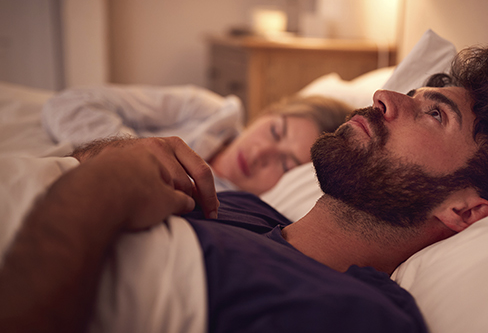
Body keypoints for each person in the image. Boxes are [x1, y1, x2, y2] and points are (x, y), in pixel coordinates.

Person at [0, 45, 488, 333]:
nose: (384, 96)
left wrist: (106, 187)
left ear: (464, 210)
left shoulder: (358, 324)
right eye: (411, 93)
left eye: (434, 112)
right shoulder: (243, 207)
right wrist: (113, 159)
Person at [43, 85, 353, 195]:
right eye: (275, 131)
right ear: (267, 113)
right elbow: (72, 102)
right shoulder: (208, 111)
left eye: (285, 164)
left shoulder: (235, 206)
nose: (260, 152)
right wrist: (131, 152)